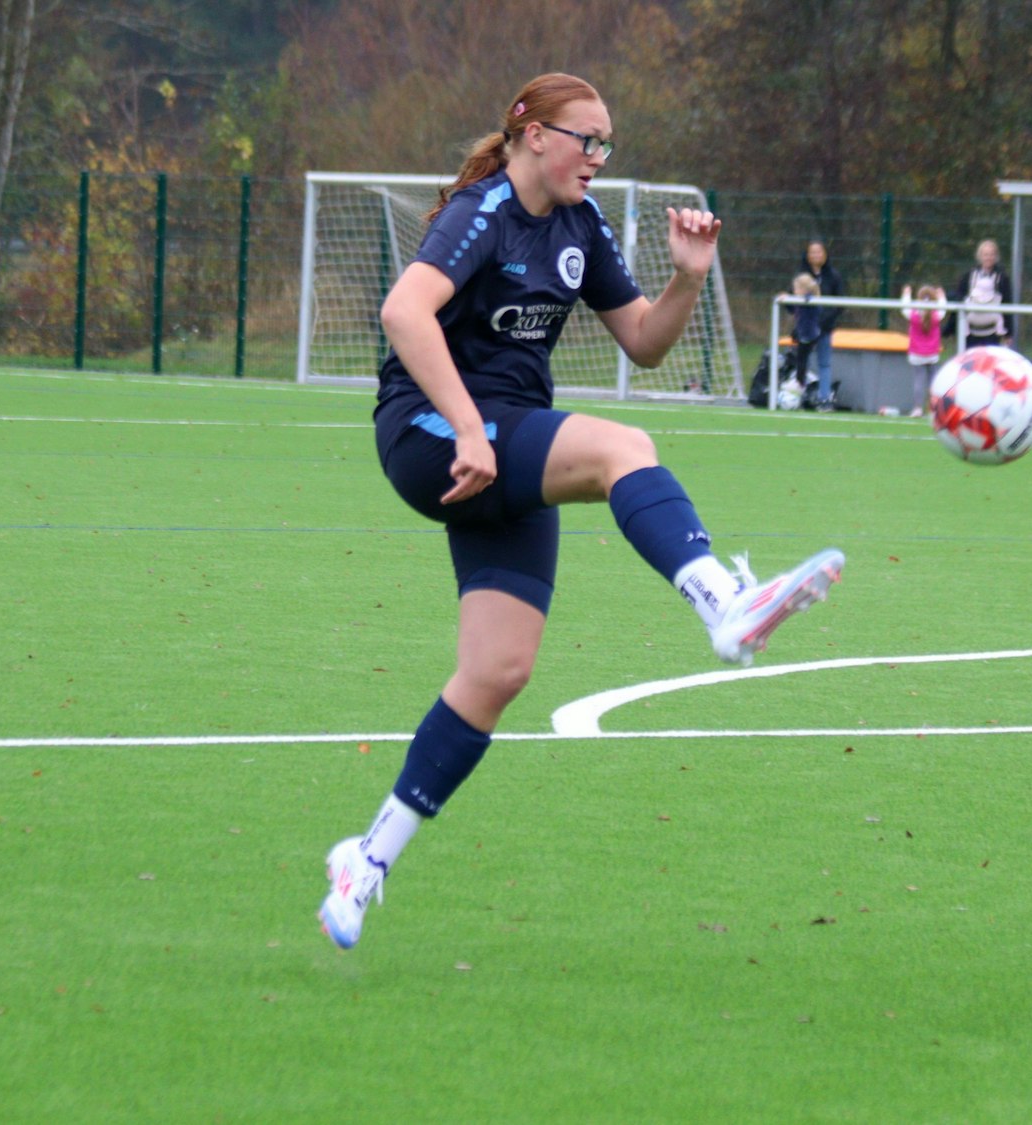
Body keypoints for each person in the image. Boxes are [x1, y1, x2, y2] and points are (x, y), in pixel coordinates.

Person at [318, 73, 845, 951]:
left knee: (498, 672)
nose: (598, 157)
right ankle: (724, 603)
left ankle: (365, 859)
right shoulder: (482, 212)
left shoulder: (581, 224)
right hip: (429, 433)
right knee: (620, 446)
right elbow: (403, 312)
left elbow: (644, 339)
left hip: (504, 442)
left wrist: (687, 279)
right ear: (533, 135)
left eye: (607, 144)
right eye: (586, 139)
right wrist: (467, 428)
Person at [799, 240, 845, 407]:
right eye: (812, 252)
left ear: (825, 254)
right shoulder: (802, 276)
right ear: (808, 255)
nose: (816, 255)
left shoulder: (833, 276)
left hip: (825, 327)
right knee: (801, 362)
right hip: (805, 328)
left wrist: (823, 321)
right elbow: (793, 298)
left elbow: (839, 304)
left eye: (819, 251)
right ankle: (798, 397)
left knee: (824, 363)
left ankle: (824, 399)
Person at [950, 239, 1012, 348]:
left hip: (992, 332)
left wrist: (1009, 333)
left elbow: (1007, 303)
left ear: (996, 256)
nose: (989, 258)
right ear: (980, 256)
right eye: (986, 254)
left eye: (992, 254)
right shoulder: (969, 276)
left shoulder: (1002, 278)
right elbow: (960, 296)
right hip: (971, 332)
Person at [901, 284, 945, 416]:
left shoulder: (913, 315)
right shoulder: (936, 315)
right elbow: (943, 307)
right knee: (933, 382)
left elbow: (904, 307)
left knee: (918, 381)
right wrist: (942, 297)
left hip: (916, 354)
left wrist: (906, 294)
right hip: (932, 354)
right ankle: (934, 409)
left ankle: (917, 408)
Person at [789, 272, 823, 396]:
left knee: (801, 359)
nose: (794, 291)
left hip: (809, 335)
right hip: (804, 333)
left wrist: (808, 297)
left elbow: (816, 310)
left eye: (796, 288)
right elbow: (794, 312)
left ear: (803, 290)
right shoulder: (799, 301)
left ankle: (800, 383)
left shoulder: (810, 301)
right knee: (800, 358)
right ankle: (800, 381)